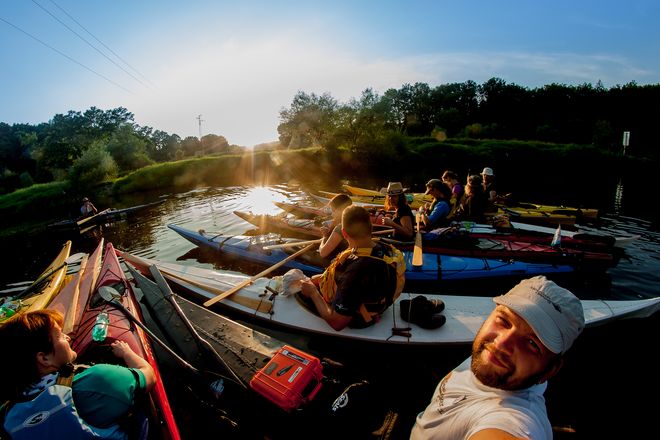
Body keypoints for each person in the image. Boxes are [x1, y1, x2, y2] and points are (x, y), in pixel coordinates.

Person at [410, 275, 585, 440]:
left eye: (532, 343)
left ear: (550, 371)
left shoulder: (516, 421)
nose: (502, 344)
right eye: (504, 321)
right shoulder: (495, 360)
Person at [0, 309, 156, 439]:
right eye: (60, 335)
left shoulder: (7, 413)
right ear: (44, 358)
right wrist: (126, 353)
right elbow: (149, 375)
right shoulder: (96, 380)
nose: (67, 337)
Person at [300, 205, 406, 331]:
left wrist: (313, 292)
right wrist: (321, 280)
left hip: (360, 319)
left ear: (344, 233)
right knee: (314, 280)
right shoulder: (384, 249)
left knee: (302, 298)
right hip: (375, 300)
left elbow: (337, 323)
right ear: (370, 228)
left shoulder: (356, 271)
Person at [318, 193, 352, 259]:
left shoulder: (340, 227)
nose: (332, 214)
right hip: (345, 255)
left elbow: (322, 253)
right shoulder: (353, 221)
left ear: (341, 209)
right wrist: (328, 234)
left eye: (333, 210)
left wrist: (324, 237)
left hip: (335, 260)